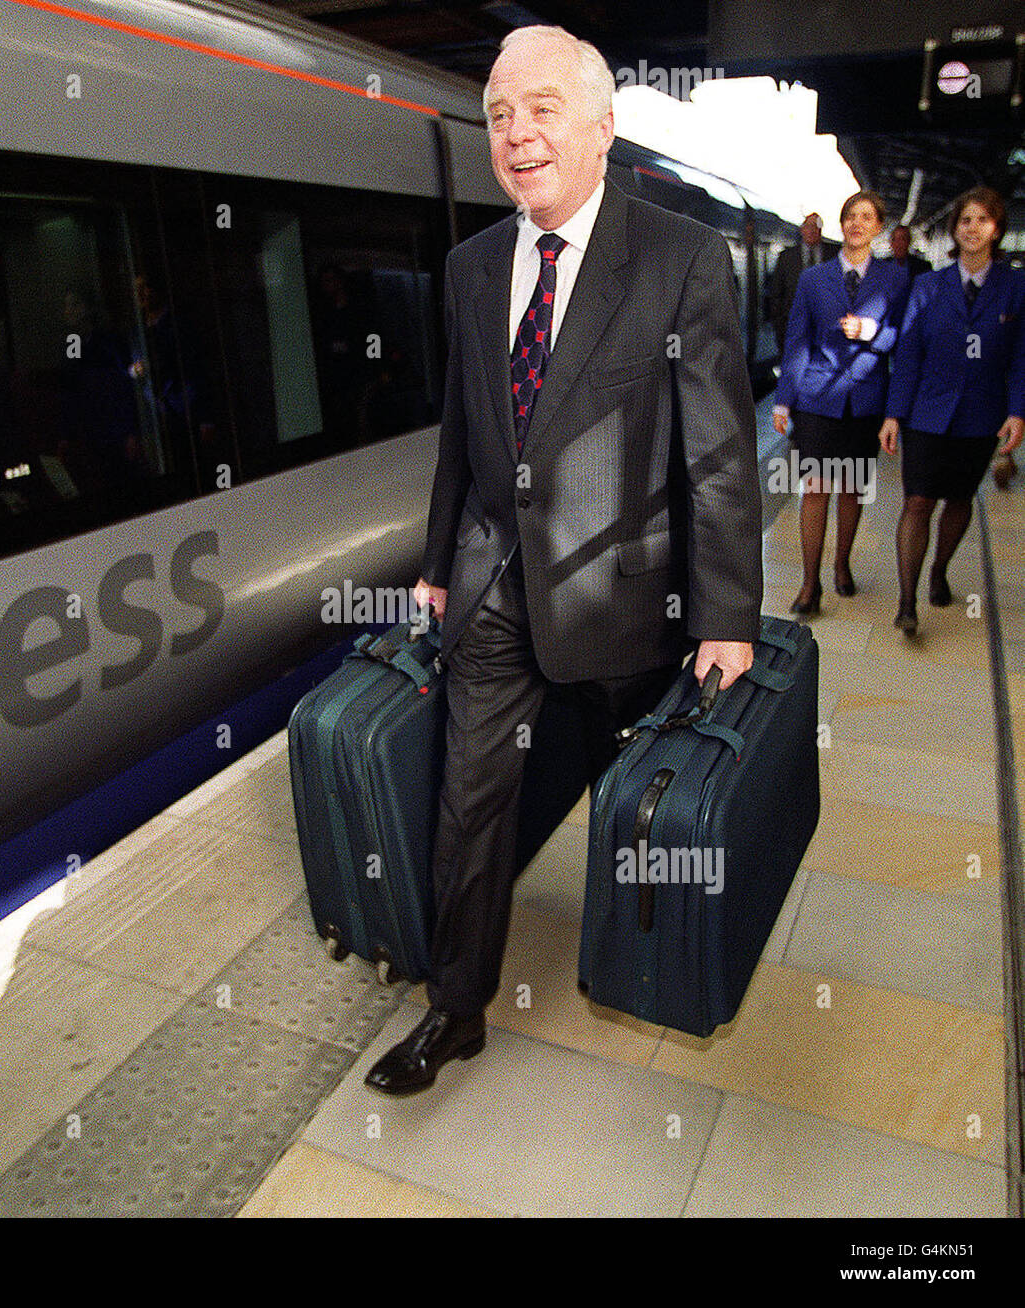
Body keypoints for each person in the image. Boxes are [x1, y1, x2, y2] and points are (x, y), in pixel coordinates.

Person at [363, 25, 763, 1097]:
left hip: (627, 597)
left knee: (633, 793)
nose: (516, 134)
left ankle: (645, 957)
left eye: (540, 108)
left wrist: (728, 616)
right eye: (497, 115)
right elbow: (462, 427)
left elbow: (719, 454)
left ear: (599, 125)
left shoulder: (680, 257)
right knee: (468, 800)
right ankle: (455, 1009)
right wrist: (442, 558)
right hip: (494, 586)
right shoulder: (470, 266)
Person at [880, 186, 1025, 635]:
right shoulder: (927, 286)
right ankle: (907, 602)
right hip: (927, 413)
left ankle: (940, 569)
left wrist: (1017, 412)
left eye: (983, 220)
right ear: (954, 228)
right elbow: (908, 354)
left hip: (981, 417)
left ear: (997, 229)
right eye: (965, 220)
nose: (973, 228)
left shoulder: (1015, 287)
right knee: (918, 500)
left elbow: (1021, 356)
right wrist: (893, 414)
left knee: (959, 499)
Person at [772, 191, 908, 613]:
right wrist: (782, 401)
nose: (857, 223)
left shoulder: (895, 279)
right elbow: (797, 339)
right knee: (814, 489)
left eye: (866, 217)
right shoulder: (815, 279)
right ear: (841, 223)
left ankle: (842, 565)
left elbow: (903, 341)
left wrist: (872, 331)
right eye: (850, 216)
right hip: (817, 400)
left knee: (851, 489)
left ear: (878, 227)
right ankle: (810, 584)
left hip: (866, 401)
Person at [770, 213, 833, 356]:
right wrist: (779, 327)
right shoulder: (786, 257)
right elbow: (776, 294)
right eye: (808, 226)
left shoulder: (834, 254)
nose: (811, 230)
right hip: (793, 329)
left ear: (821, 230)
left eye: (815, 226)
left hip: (826, 331)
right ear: (801, 230)